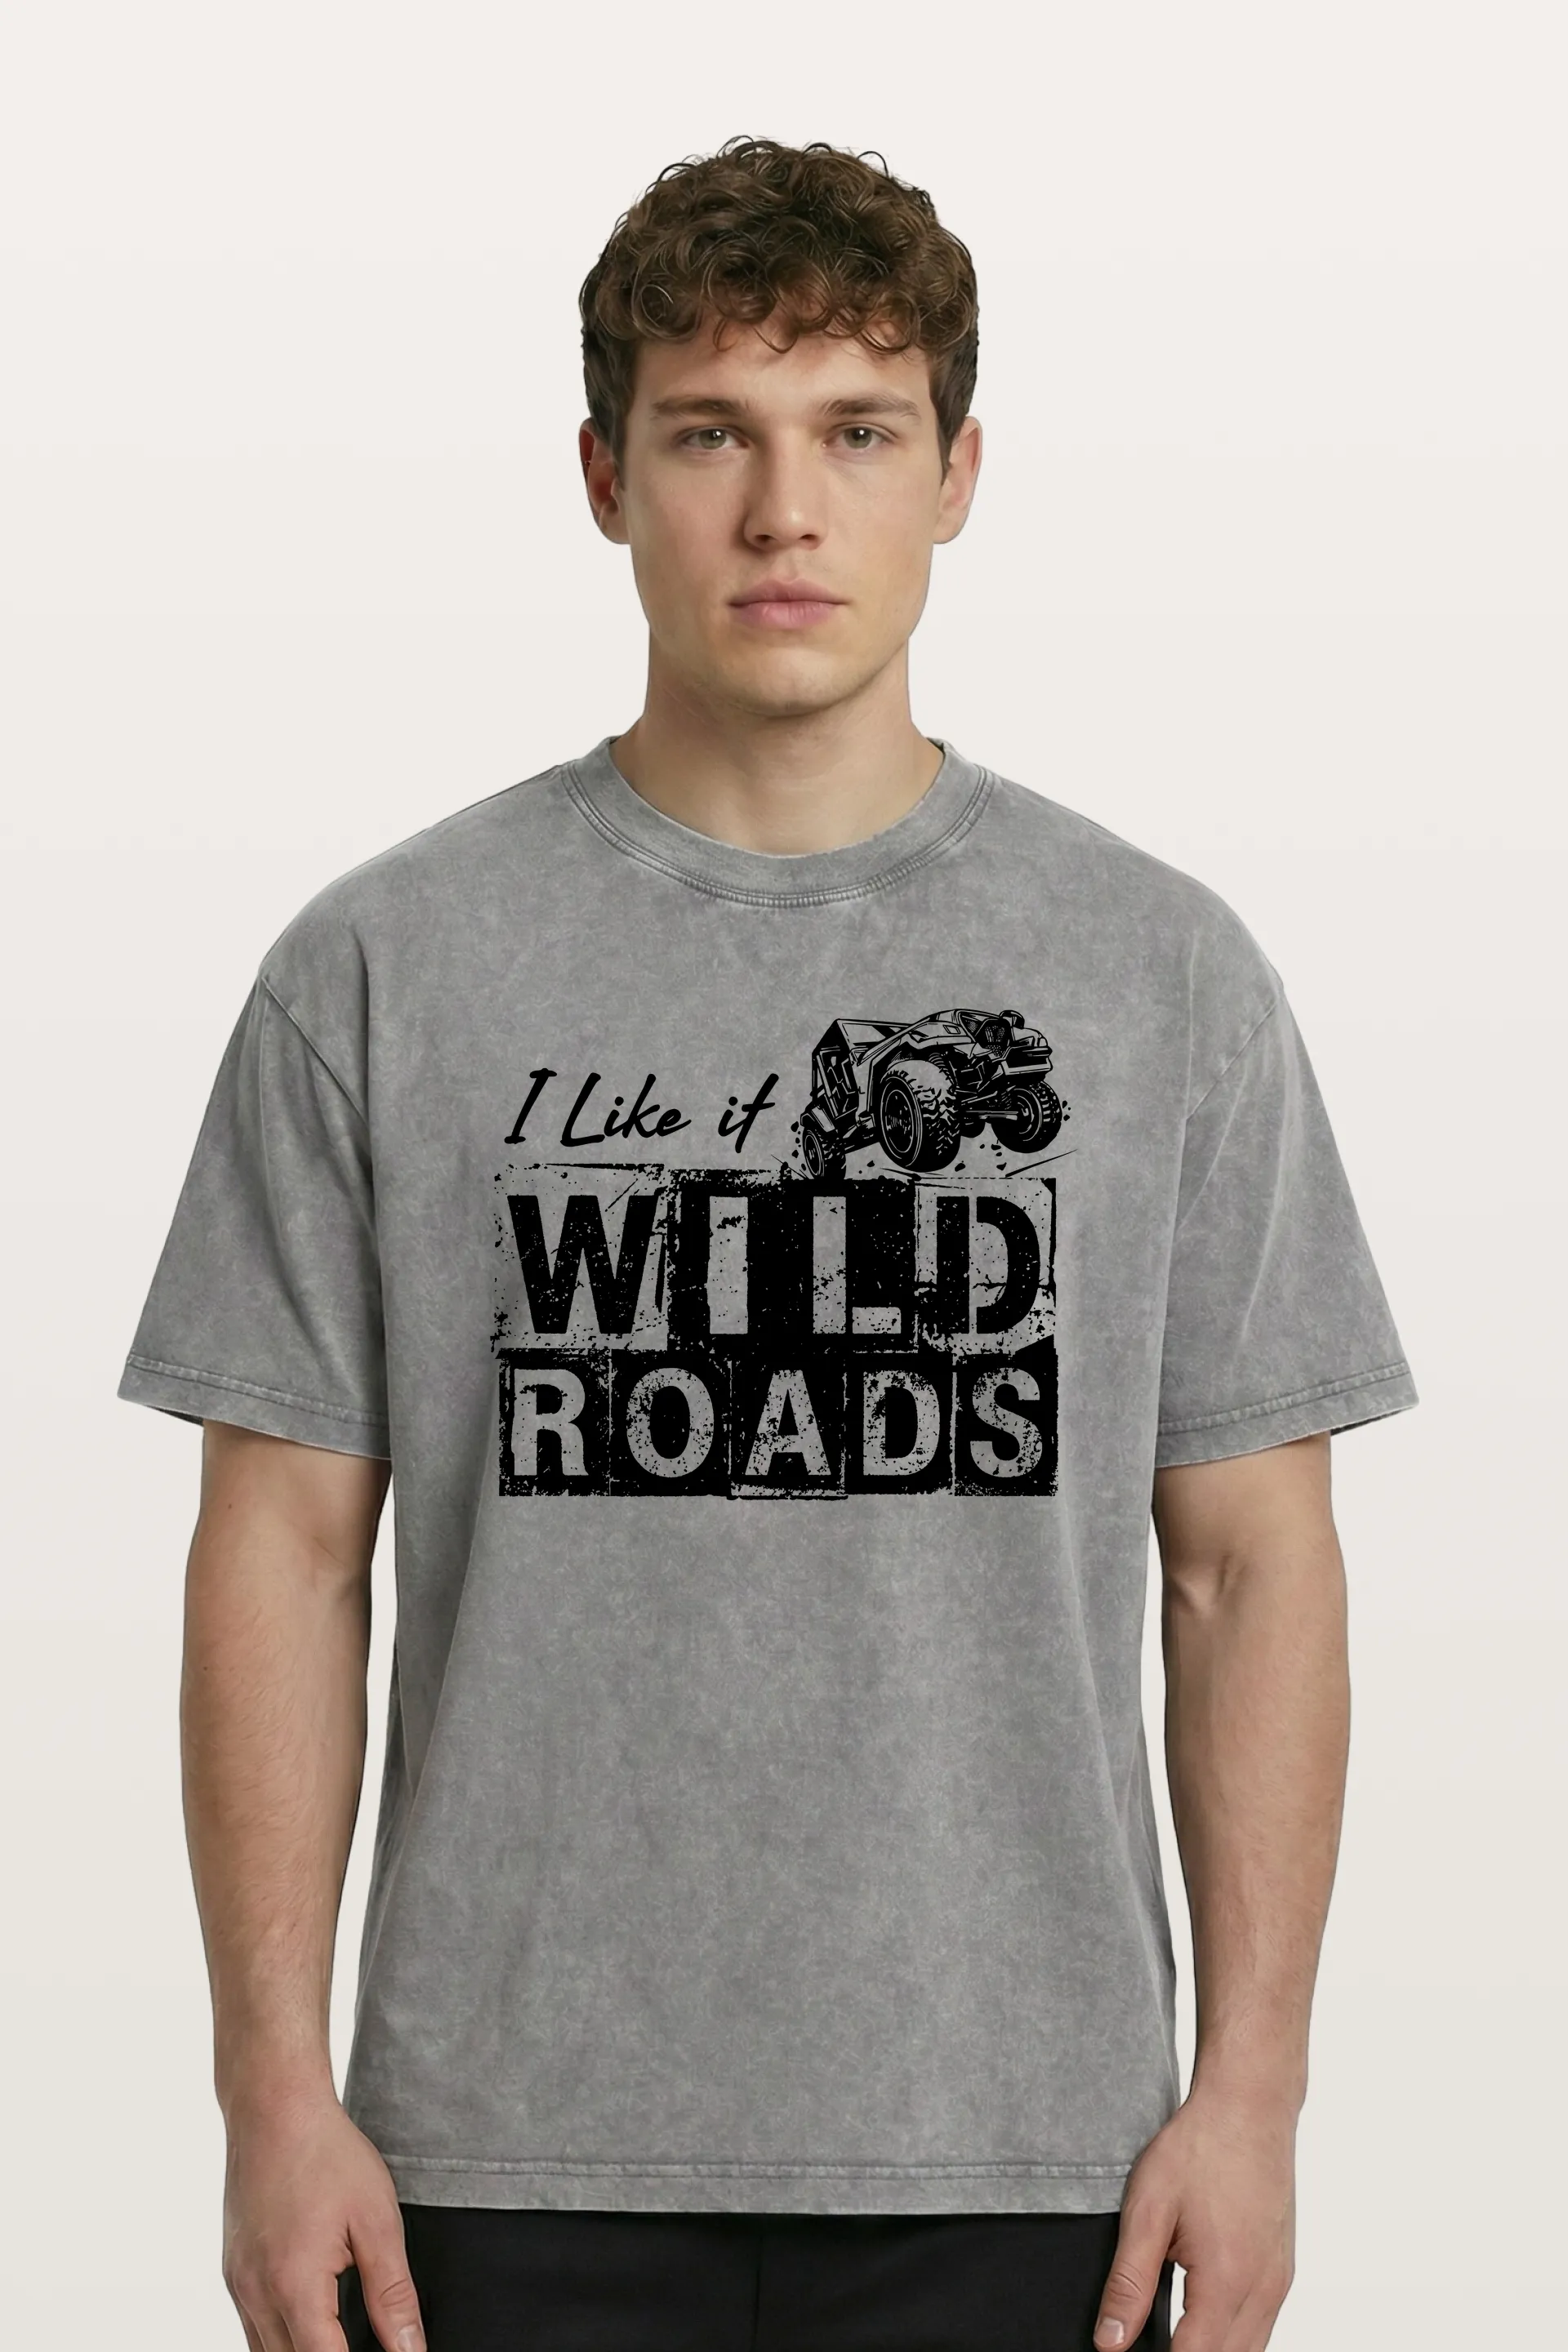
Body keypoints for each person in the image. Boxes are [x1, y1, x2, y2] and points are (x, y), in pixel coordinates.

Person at [118, 137, 1416, 2352]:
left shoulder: (1160, 975)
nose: (786, 512)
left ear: (962, 475)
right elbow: (283, 1555)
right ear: (606, 477)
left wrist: (1257, 2098)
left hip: (1033, 2162)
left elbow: (1250, 1567)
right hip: (486, 2164)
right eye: (713, 433)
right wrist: (270, 2097)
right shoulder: (384, 968)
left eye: (860, 433)